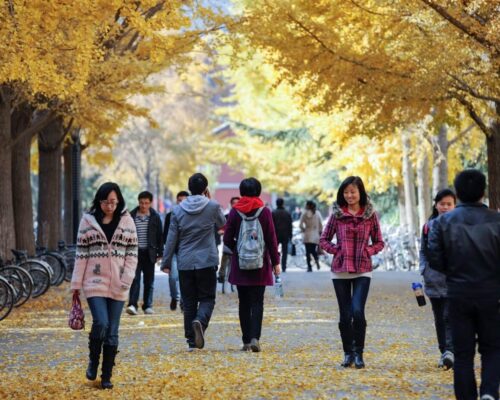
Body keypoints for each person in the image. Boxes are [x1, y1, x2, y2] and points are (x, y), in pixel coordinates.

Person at [427, 169, 500, 400]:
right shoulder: (496, 220)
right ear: (483, 192)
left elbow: (434, 257)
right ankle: (489, 391)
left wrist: (453, 271)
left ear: (457, 193)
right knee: (492, 348)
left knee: (462, 353)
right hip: (491, 294)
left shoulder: (442, 222)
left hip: (458, 293)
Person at [70, 182, 138, 389]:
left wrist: (127, 278)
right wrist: (76, 283)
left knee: (112, 330)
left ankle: (106, 375)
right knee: (101, 322)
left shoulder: (127, 221)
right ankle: (93, 360)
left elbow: (132, 253)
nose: (110, 206)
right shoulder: (87, 221)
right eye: (106, 202)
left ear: (119, 201)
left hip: (119, 283)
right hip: (94, 282)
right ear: (99, 201)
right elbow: (81, 255)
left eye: (113, 202)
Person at [319, 176, 384, 369]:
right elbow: (323, 239)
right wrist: (337, 250)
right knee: (345, 314)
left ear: (360, 192)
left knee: (358, 311)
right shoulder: (337, 214)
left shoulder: (370, 215)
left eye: (353, 192)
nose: (349, 195)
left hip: (363, 268)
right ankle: (348, 353)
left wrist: (368, 251)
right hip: (340, 270)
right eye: (346, 192)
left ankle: (359, 353)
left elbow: (379, 242)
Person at [162, 173, 225, 351]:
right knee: (207, 298)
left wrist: (166, 262)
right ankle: (200, 321)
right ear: (205, 188)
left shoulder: (177, 210)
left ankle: (191, 341)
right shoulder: (212, 206)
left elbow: (171, 239)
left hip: (185, 261)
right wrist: (210, 201)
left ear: (189, 188)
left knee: (189, 301)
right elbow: (222, 223)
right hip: (207, 260)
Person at [223, 177, 280, 352]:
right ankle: (256, 337)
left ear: (241, 192)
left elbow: (227, 238)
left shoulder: (235, 212)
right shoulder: (265, 211)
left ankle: (246, 341)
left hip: (241, 264)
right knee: (257, 302)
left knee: (244, 302)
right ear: (258, 191)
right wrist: (276, 262)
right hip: (260, 264)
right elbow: (271, 239)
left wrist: (237, 250)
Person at [419, 189, 456, 370]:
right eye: (442, 204)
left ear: (455, 206)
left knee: (449, 316)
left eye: (449, 204)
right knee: (439, 318)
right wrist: (423, 269)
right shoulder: (428, 226)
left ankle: (450, 351)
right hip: (433, 279)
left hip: (453, 280)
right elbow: (423, 251)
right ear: (436, 205)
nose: (445, 207)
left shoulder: (459, 225)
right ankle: (444, 352)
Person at [126, 191, 163, 315]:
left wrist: (160, 253)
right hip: (134, 253)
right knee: (134, 279)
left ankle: (147, 305)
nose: (143, 205)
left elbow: (160, 236)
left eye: (146, 203)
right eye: (141, 203)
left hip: (149, 253)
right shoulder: (131, 216)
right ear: (138, 202)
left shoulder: (155, 217)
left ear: (150, 203)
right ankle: (132, 305)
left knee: (149, 281)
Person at [162, 190, 189, 311]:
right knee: (173, 277)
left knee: (185, 278)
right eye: (179, 200)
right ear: (176, 201)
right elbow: (165, 235)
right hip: (173, 251)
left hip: (187, 252)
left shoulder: (191, 216)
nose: (181, 203)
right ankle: (174, 297)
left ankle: (184, 301)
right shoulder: (170, 216)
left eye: (184, 200)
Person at [218, 196, 240, 287]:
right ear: (231, 204)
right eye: (233, 203)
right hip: (228, 242)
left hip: (238, 244)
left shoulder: (243, 216)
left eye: (237, 203)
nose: (235, 205)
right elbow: (222, 227)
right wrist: (222, 231)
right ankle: (221, 276)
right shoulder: (226, 216)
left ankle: (235, 277)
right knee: (224, 260)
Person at [299, 200, 323, 272]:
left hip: (307, 234)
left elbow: (300, 225)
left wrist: (303, 230)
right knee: (313, 250)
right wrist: (320, 232)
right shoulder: (317, 213)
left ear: (307, 205)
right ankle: (316, 260)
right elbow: (321, 224)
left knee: (307, 251)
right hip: (315, 235)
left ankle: (309, 267)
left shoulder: (304, 213)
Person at [272, 198, 293, 273]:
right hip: (285, 235)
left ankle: (275, 265)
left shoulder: (273, 213)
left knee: (274, 251)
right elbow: (290, 225)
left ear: (276, 203)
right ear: (283, 203)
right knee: (285, 251)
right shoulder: (287, 213)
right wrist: (290, 235)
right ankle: (284, 266)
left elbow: (271, 225)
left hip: (275, 235)